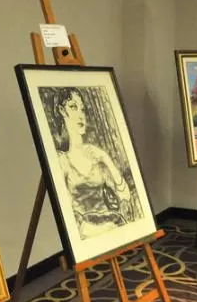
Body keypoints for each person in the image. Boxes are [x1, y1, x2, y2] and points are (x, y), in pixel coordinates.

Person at [47, 87, 135, 238]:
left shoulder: (95, 154)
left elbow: (125, 196)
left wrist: (106, 160)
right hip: (88, 232)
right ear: (62, 111)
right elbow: (68, 213)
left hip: (112, 223)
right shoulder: (62, 160)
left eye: (82, 109)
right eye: (73, 107)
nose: (80, 115)